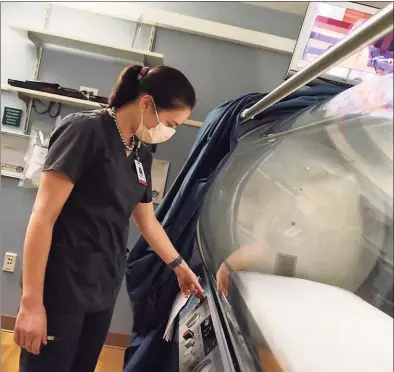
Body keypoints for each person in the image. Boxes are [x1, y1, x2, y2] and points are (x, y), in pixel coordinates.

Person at [14, 64, 204, 372]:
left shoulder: (140, 153)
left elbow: (147, 221)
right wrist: (31, 303)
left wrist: (179, 266)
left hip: (101, 289)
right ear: (146, 103)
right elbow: (42, 217)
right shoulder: (85, 130)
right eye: (170, 123)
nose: (168, 131)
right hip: (62, 286)